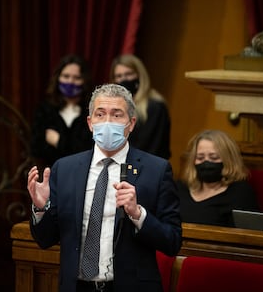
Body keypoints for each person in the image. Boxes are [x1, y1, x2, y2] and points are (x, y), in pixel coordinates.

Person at [27, 84, 182, 292]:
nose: (108, 121)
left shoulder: (156, 170)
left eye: (117, 115)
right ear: (90, 123)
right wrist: (41, 208)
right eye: (100, 114)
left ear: (131, 123)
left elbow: (172, 242)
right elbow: (45, 240)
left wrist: (138, 214)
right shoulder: (65, 169)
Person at [177, 129, 259, 227]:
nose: (206, 163)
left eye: (214, 157)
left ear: (228, 160)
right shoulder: (180, 187)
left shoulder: (240, 193)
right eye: (200, 158)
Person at [30, 54, 94, 168]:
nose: (70, 81)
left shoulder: (92, 110)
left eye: (77, 78)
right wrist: (72, 145)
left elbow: (88, 150)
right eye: (66, 76)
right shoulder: (45, 109)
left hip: (83, 173)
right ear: (58, 77)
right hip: (52, 173)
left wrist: (58, 141)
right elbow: (36, 148)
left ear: (84, 80)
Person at [109, 54, 171, 159]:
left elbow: (154, 147)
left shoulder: (155, 107)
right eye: (118, 76)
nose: (123, 79)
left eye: (128, 74)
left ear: (139, 75)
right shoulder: (112, 106)